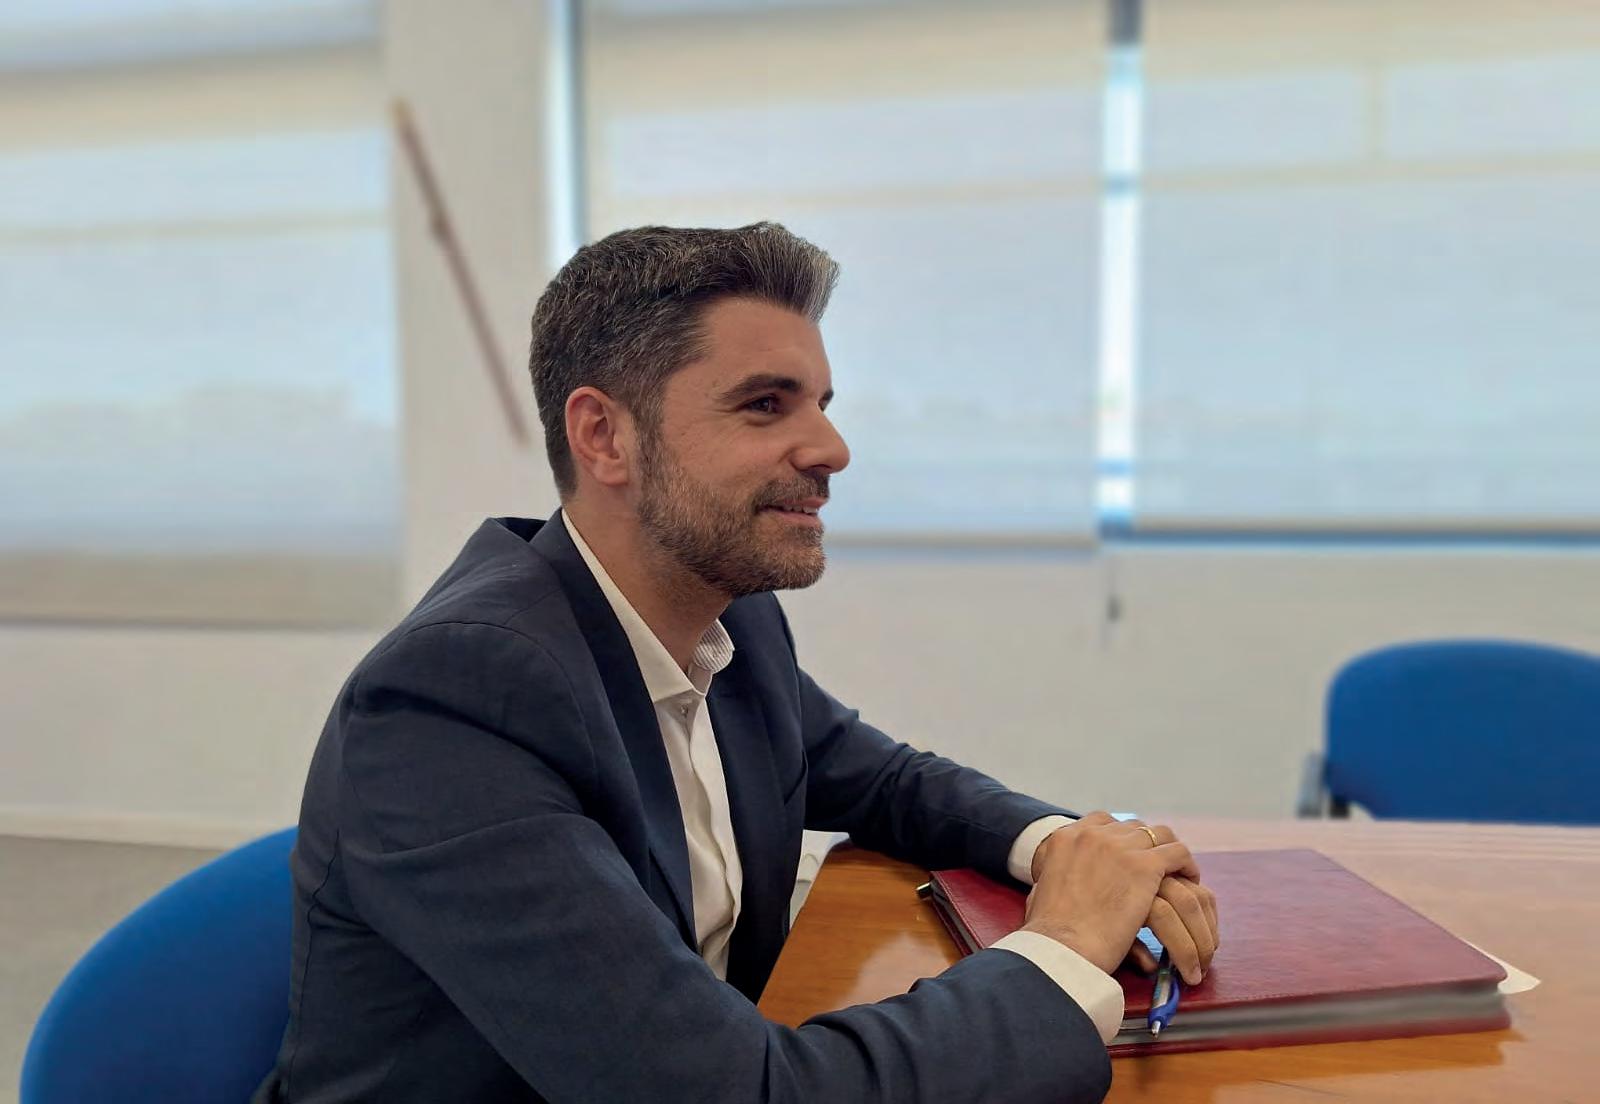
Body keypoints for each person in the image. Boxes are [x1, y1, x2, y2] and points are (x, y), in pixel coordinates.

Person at [253, 223, 1218, 1104]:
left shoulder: (727, 616)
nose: (832, 448)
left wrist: (1061, 849)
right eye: (765, 405)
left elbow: (884, 779)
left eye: (822, 405)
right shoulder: (453, 699)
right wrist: (1068, 942)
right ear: (605, 436)